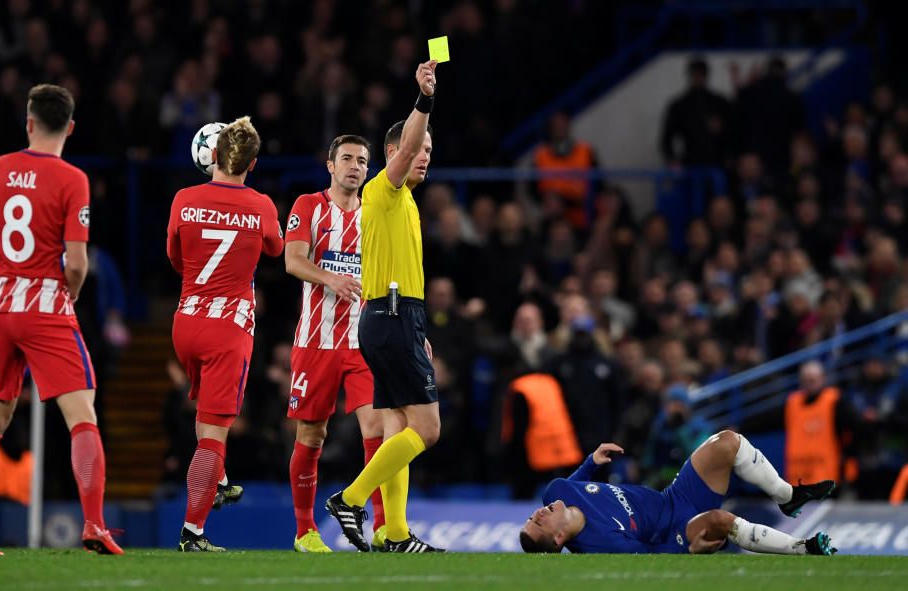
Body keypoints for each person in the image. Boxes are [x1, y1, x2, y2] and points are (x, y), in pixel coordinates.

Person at [0, 84, 122, 556]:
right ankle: (95, 524)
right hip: (44, 305)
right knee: (82, 414)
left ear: (29, 122)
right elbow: (76, 263)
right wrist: (71, 294)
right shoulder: (72, 179)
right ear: (71, 128)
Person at [325, 60, 444, 553]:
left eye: (431, 151)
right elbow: (408, 144)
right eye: (418, 149)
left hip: (396, 317)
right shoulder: (384, 187)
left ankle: (395, 533)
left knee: (397, 426)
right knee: (429, 429)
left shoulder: (407, 202)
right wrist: (424, 100)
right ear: (395, 152)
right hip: (390, 316)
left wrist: (417, 327)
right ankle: (351, 498)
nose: (424, 157)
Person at [166, 116, 283, 552]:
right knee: (215, 433)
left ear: (211, 155)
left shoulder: (183, 198)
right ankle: (193, 532)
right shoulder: (262, 205)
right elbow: (275, 249)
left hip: (186, 322)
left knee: (206, 422)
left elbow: (175, 258)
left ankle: (217, 479)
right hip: (228, 328)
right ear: (250, 165)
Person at [282, 134, 386, 553]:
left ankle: (383, 525)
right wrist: (331, 279)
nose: (355, 166)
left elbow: (385, 276)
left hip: (363, 342)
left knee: (378, 429)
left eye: (362, 160)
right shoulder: (308, 206)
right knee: (311, 433)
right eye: (346, 158)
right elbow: (292, 261)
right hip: (315, 340)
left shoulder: (375, 214)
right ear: (330, 165)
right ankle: (305, 531)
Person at [519, 430, 837, 555]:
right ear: (559, 538)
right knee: (720, 520)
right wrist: (688, 549)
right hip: (673, 530)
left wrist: (592, 461)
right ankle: (804, 548)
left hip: (674, 497)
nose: (536, 514)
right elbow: (650, 557)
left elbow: (576, 483)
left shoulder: (556, 491)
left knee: (727, 442)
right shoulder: (599, 544)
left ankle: (788, 496)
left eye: (530, 517)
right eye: (538, 523)